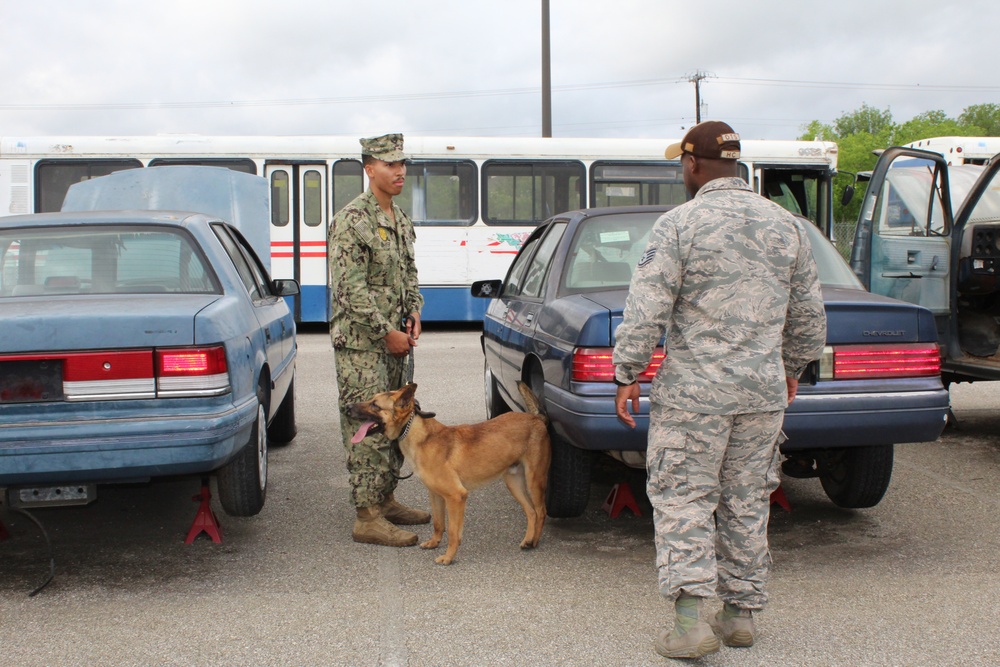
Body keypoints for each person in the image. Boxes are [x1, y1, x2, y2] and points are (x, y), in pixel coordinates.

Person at [612, 121, 827, 659]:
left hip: (695, 396)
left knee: (685, 498)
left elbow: (646, 310)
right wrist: (791, 368)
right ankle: (739, 616)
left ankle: (690, 625)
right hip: (760, 396)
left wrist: (628, 372)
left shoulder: (679, 225)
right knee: (747, 500)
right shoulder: (789, 227)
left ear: (691, 165)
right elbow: (809, 318)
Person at [328, 132, 430, 547]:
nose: (399, 170)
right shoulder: (352, 220)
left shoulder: (398, 218)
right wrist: (385, 332)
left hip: (393, 342)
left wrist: (414, 311)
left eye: (402, 163)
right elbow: (348, 289)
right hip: (362, 346)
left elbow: (408, 273)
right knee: (369, 425)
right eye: (390, 164)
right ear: (370, 169)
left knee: (395, 420)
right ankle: (367, 516)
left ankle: (385, 500)